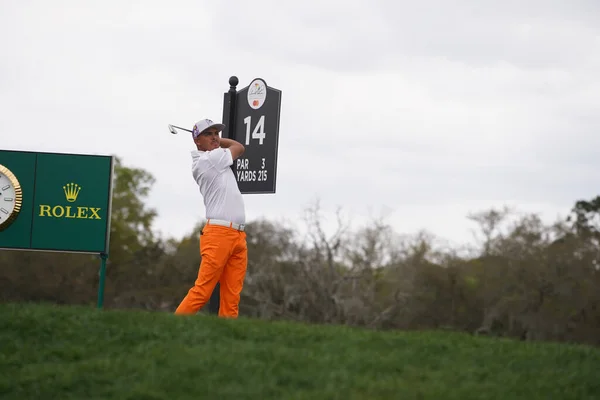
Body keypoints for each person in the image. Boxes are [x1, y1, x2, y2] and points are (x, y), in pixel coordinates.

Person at [174, 118, 248, 318]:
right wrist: (221, 142)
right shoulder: (209, 160)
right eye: (209, 134)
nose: (215, 138)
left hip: (238, 235)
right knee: (202, 291)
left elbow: (234, 148)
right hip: (219, 235)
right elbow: (239, 147)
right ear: (197, 141)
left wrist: (213, 140)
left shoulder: (215, 157)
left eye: (217, 133)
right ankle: (171, 328)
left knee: (232, 297)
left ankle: (225, 342)